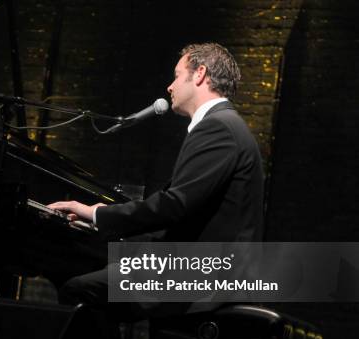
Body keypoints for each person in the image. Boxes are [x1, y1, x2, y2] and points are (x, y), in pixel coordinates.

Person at [49, 42, 264, 313]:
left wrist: (98, 215)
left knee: (79, 291)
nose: (170, 86)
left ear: (199, 74)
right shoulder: (225, 125)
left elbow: (174, 206)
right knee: (99, 280)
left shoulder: (218, 127)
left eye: (176, 75)